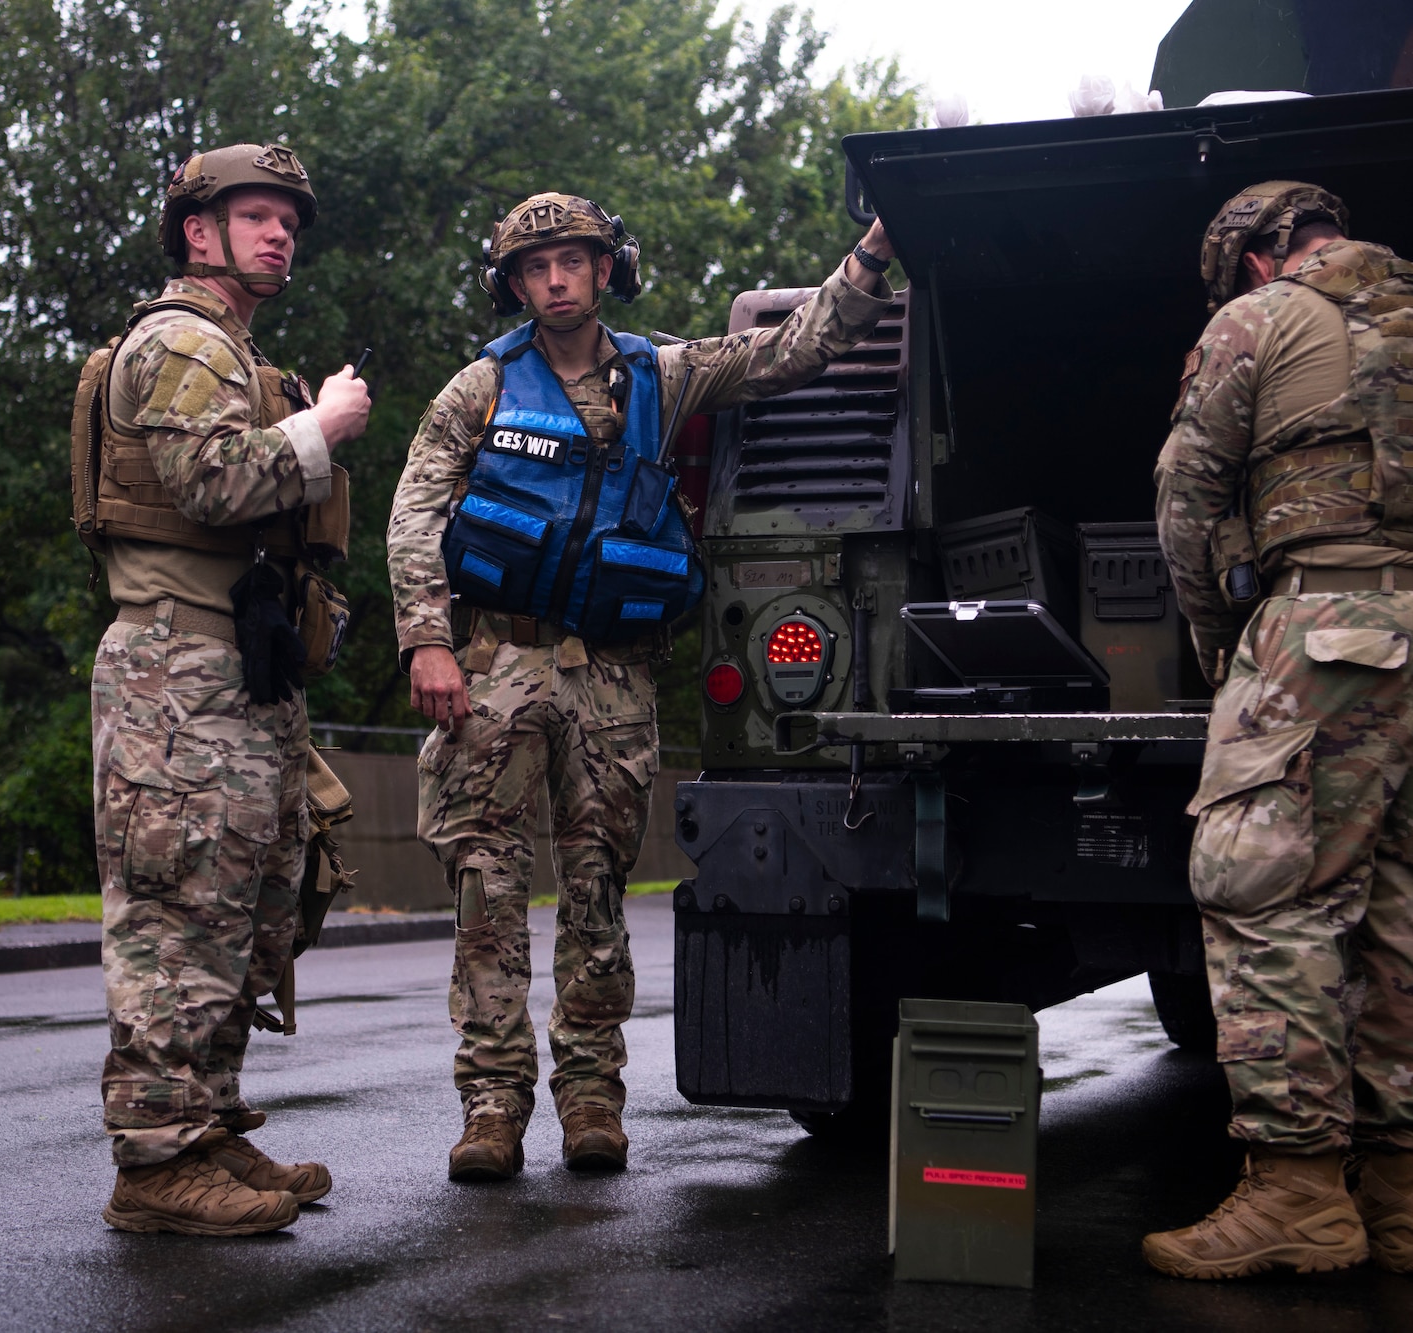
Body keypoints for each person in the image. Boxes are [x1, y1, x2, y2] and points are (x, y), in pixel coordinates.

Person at [388, 192, 897, 1181]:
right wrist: (426, 640)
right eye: (535, 268)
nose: (555, 279)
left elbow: (790, 352)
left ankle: (590, 1101)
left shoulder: (662, 376)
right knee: (485, 893)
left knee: (595, 895)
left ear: (605, 268)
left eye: (573, 260)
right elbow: (417, 508)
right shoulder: (479, 388)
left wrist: (872, 257)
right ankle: (492, 1105)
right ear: (514, 283)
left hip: (612, 676)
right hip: (495, 661)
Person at [1142, 181, 1413, 1278]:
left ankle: (1296, 1192)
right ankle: (1409, 1203)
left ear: (1256, 257)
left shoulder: (1262, 316)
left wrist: (1221, 637)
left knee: (1262, 884)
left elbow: (1184, 493)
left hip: (1334, 624)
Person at [78, 143, 371, 1235]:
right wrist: (321, 427)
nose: (279, 232)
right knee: (176, 911)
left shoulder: (232, 349)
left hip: (233, 671)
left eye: (288, 218)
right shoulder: (179, 340)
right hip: (177, 672)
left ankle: (206, 1127)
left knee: (245, 907)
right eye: (255, 215)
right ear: (196, 232)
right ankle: (154, 1162)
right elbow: (211, 483)